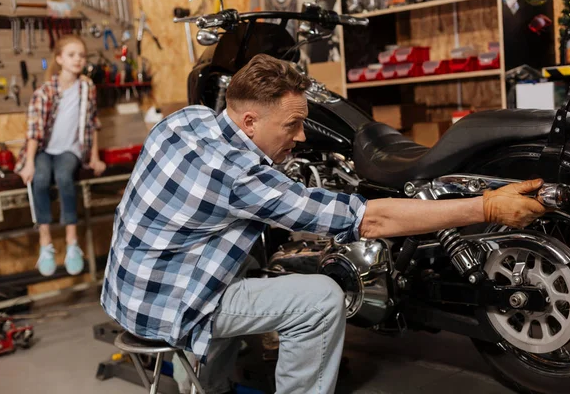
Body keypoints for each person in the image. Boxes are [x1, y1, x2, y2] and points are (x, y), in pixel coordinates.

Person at [101, 53, 546, 394]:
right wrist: (485, 207)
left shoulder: (188, 119)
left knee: (241, 259)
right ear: (250, 121)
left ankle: (215, 387)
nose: (299, 137)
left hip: (130, 285)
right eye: (292, 125)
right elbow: (370, 220)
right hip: (165, 304)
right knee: (318, 299)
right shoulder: (239, 176)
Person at [16, 35, 106, 277]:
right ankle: (45, 244)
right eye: (71, 54)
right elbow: (34, 131)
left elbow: (93, 124)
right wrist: (28, 164)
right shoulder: (44, 91)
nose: (78, 59)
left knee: (65, 176)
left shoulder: (87, 88)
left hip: (71, 150)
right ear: (59, 59)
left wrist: (94, 158)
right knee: (41, 178)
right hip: (44, 150)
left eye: (81, 55)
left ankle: (71, 242)